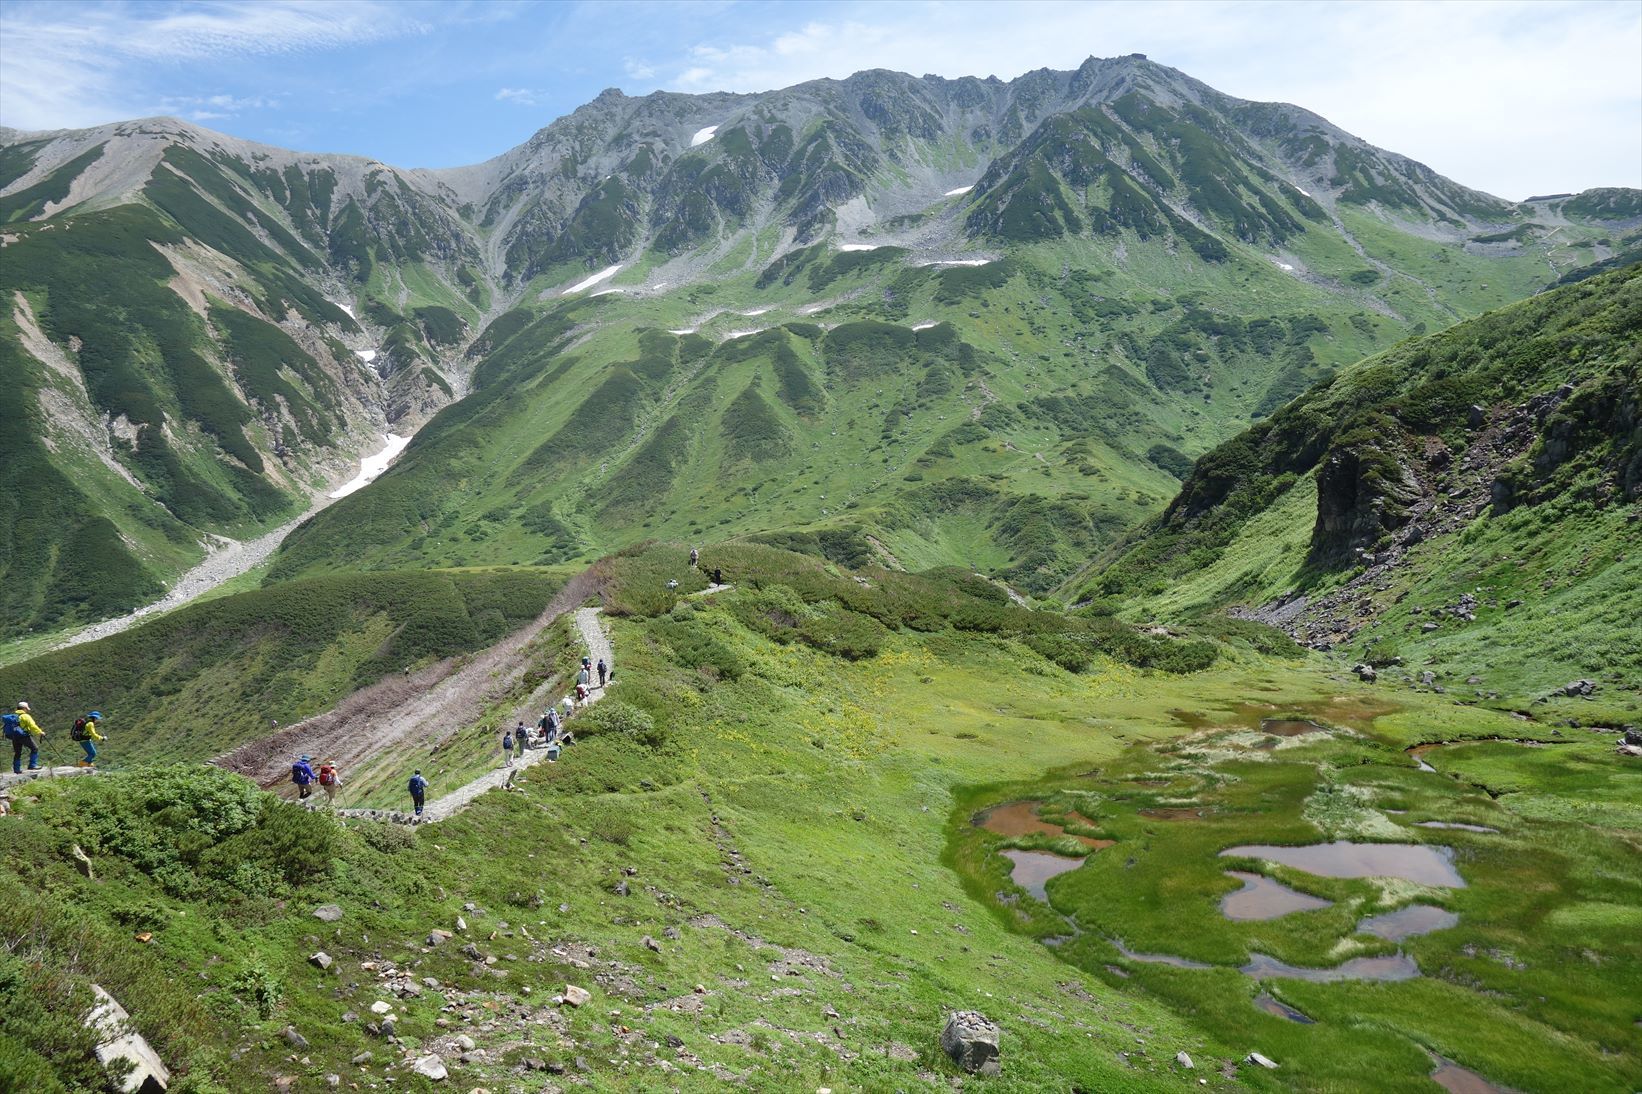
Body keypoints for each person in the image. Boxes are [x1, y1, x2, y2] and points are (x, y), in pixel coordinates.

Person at [5, 702, 44, 774]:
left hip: (14, 736)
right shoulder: (25, 716)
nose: (27, 710)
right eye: (26, 708)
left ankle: (16, 769)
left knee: (17, 752)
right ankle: (32, 765)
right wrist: (40, 732)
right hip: (23, 736)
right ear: (24, 708)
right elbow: (32, 726)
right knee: (34, 748)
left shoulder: (14, 716)